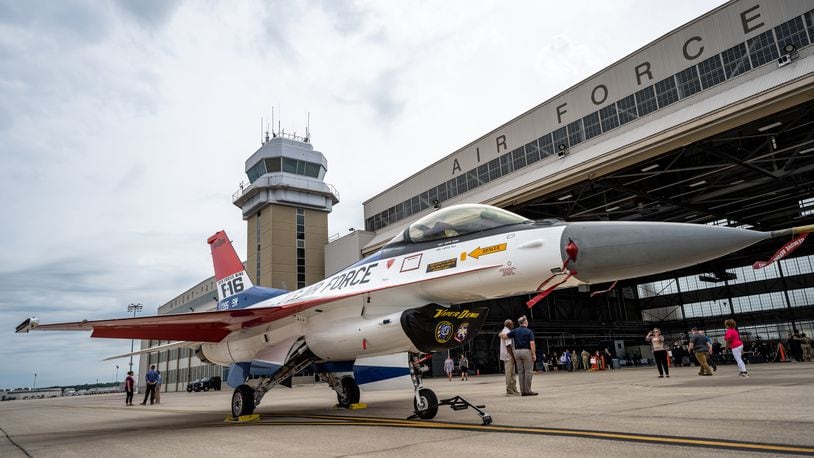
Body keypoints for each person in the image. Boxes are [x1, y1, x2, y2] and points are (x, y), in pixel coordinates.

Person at [501, 315, 537, 396]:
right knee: (528, 371)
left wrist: (500, 334)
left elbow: (504, 336)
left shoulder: (515, 331)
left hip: (517, 352)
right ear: (525, 322)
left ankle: (523, 391)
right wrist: (533, 354)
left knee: (520, 372)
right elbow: (532, 343)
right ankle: (528, 391)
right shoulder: (529, 331)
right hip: (526, 351)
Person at [499, 319, 519, 396]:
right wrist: (513, 356)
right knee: (509, 373)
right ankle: (510, 390)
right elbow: (508, 346)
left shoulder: (503, 331)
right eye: (512, 324)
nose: (513, 326)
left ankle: (514, 389)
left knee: (512, 373)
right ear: (508, 325)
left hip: (507, 355)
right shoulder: (507, 332)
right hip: (509, 356)